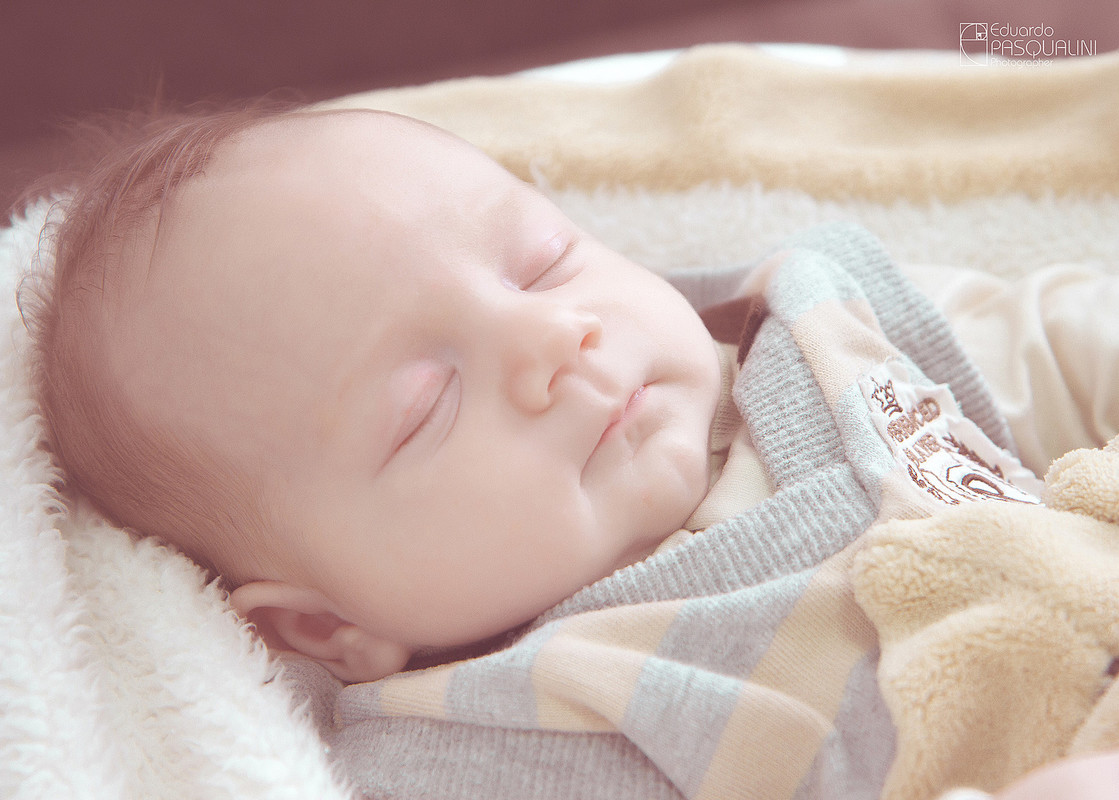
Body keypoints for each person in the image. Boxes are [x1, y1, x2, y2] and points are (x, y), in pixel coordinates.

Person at [19, 105, 1119, 799]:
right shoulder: (503, 729)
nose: (554, 339)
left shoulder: (809, 331)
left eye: (544, 263)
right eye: (428, 405)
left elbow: (1071, 348)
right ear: (323, 626)